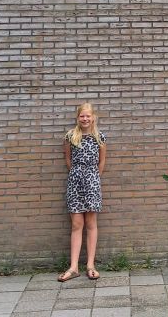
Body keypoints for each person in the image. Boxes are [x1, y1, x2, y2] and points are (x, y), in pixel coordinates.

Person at [58, 102, 107, 282]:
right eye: (82, 116)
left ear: (93, 117)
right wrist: (78, 174)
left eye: (88, 116)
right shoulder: (70, 136)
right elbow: (68, 159)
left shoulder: (99, 137)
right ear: (77, 118)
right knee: (76, 224)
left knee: (91, 224)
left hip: (93, 183)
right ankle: (73, 267)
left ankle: (90, 265)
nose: (85, 119)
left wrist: (93, 177)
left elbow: (102, 162)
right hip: (74, 183)